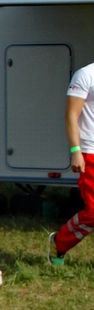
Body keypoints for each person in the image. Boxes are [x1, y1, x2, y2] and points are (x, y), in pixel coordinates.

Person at [50, 60, 94, 265]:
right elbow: (71, 115)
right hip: (90, 151)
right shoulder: (85, 75)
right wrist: (76, 151)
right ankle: (60, 242)